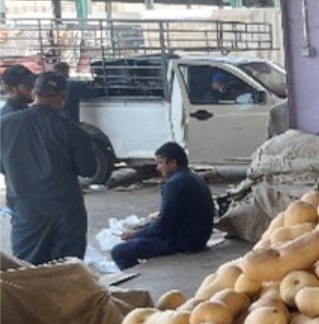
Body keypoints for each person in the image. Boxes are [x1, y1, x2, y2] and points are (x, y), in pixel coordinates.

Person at [0, 72, 97, 265]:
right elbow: (89, 170)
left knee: (28, 271)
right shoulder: (72, 131)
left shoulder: (4, 125)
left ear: (34, 93)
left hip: (26, 211)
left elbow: (3, 166)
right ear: (62, 99)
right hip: (66, 211)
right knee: (68, 272)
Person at [111, 142, 215, 271]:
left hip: (185, 241)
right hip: (199, 236)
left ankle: (138, 279)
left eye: (160, 163)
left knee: (119, 251)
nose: (158, 168)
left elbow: (163, 225)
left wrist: (136, 234)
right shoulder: (194, 177)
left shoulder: (174, 183)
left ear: (173, 163)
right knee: (144, 232)